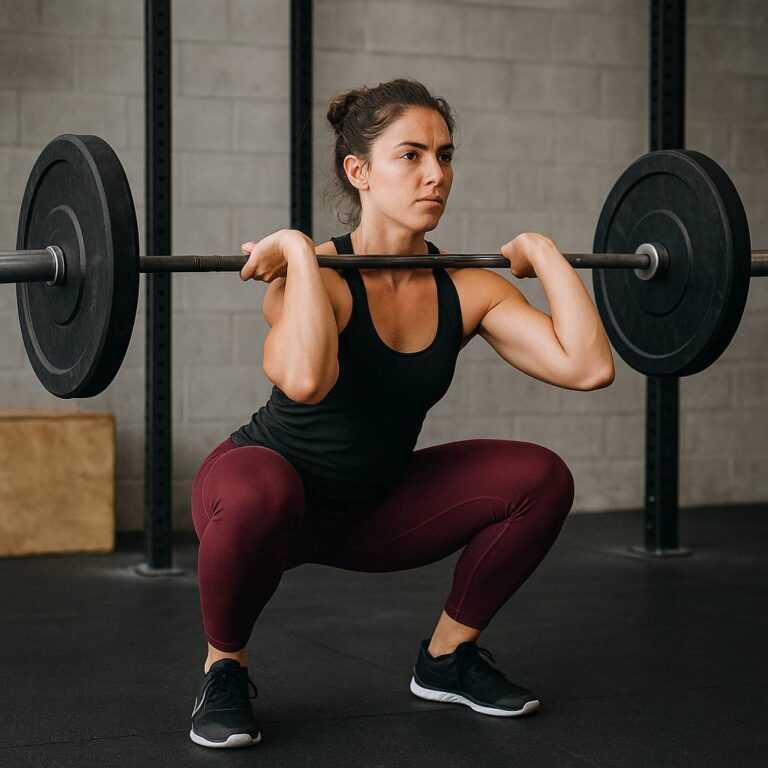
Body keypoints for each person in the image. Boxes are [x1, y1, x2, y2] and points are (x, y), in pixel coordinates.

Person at [188, 78, 614, 749]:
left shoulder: (467, 288)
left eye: (445, 156)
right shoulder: (314, 276)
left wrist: (546, 254)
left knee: (540, 478)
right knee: (260, 488)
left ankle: (447, 659)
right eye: (411, 156)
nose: (435, 174)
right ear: (359, 172)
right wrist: (299, 250)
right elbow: (306, 380)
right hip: (259, 502)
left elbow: (587, 367)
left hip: (372, 510)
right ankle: (223, 671)